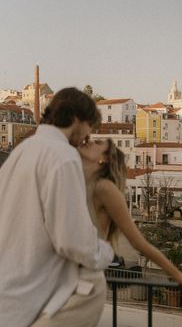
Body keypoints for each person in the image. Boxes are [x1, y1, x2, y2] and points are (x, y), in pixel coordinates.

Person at [0, 88, 114, 327]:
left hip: (7, 293)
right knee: (93, 283)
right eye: (89, 125)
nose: (88, 134)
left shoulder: (20, 152)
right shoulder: (63, 156)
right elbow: (73, 240)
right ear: (74, 118)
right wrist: (105, 252)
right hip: (30, 298)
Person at [78, 138, 182, 295]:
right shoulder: (84, 184)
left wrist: (181, 278)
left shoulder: (104, 188)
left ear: (104, 159)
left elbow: (140, 244)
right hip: (73, 286)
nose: (90, 141)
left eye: (98, 143)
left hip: (84, 289)